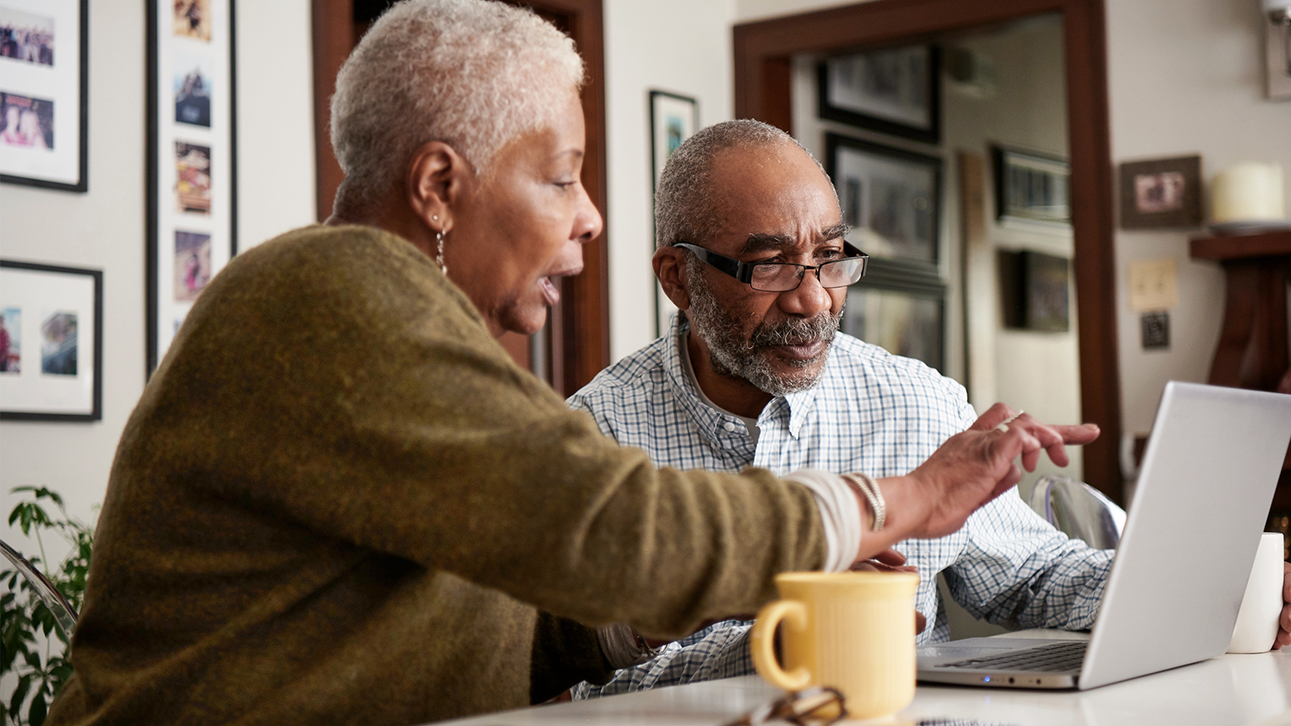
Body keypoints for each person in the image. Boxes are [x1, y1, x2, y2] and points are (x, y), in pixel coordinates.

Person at [46, 4, 1094, 725]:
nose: (590, 219)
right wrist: (899, 500)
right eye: (561, 177)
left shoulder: (428, 338)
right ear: (440, 186)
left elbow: (534, 625)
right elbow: (617, 530)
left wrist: (757, 606)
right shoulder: (332, 293)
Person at [567, 119, 1290, 697]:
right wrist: (775, 643)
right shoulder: (590, 439)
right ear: (677, 278)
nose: (813, 299)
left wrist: (1219, 590)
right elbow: (582, 678)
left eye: (829, 256)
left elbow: (1031, 576)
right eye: (769, 266)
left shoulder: (911, 401)